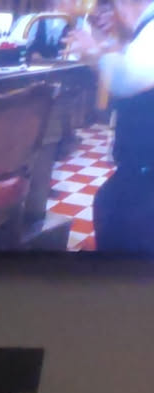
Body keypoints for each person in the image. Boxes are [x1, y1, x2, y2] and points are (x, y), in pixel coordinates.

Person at [69, 0, 154, 251]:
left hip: (145, 174)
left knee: (112, 208)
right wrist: (101, 44)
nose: (108, 16)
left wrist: (96, 53)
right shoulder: (143, 29)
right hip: (139, 170)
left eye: (110, 9)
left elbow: (127, 78)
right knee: (107, 200)